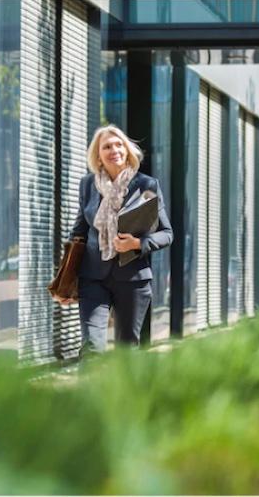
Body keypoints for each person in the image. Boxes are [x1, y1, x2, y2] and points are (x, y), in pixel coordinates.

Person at [54, 124, 173, 353]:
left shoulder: (146, 185)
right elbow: (78, 233)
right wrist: (65, 279)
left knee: (125, 352)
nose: (114, 150)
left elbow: (167, 234)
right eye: (107, 146)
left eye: (119, 144)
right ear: (98, 156)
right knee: (92, 347)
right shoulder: (88, 185)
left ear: (127, 150)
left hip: (132, 279)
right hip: (93, 278)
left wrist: (137, 244)